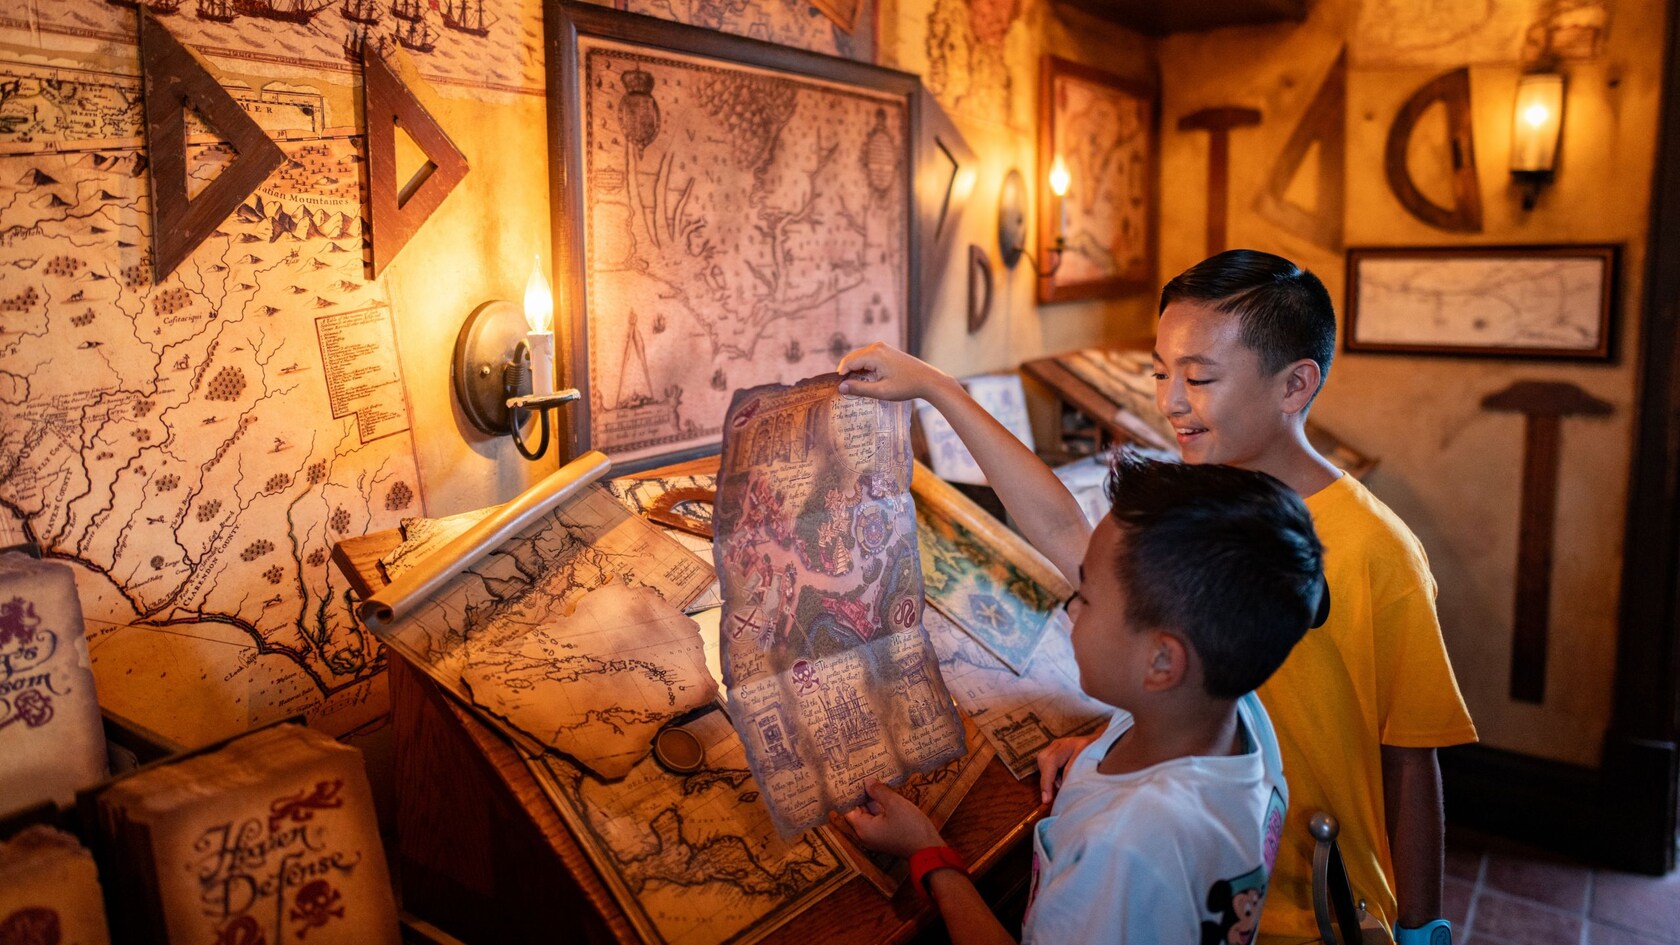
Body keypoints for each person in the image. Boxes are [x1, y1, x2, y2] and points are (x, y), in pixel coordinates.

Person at [837, 248, 1477, 945]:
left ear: (1295, 384)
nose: (1169, 400)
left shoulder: (1379, 551)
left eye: (1199, 376)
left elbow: (1412, 756)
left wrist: (1423, 929)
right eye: (1161, 371)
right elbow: (1068, 537)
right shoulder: (1202, 503)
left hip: (1314, 913)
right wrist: (1120, 739)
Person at [839, 451, 1325, 944]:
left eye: (1087, 598)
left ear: (1162, 663)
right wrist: (1100, 747)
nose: (1071, 611)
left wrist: (928, 854)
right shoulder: (1235, 713)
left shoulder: (1124, 848)